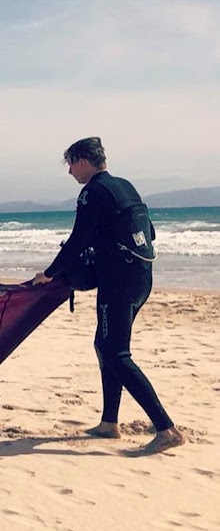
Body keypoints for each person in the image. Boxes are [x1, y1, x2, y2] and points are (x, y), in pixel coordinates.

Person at [32, 137, 184, 456]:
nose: (70, 171)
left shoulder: (93, 192)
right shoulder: (123, 186)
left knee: (115, 353)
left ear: (84, 161)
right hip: (141, 277)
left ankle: (166, 430)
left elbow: (77, 240)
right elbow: (149, 232)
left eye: (71, 164)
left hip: (118, 280)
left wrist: (50, 273)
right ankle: (109, 423)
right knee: (106, 346)